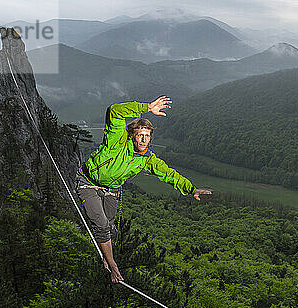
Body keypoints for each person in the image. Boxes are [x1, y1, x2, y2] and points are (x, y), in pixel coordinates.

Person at [76, 96, 212, 283]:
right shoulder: (118, 140)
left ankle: (105, 253)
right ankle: (111, 264)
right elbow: (114, 111)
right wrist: (147, 107)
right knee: (101, 225)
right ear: (132, 135)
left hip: (112, 190)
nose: (144, 139)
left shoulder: (146, 158)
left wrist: (191, 189)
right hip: (88, 183)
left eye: (147, 136)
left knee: (111, 230)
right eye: (140, 134)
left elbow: (168, 173)